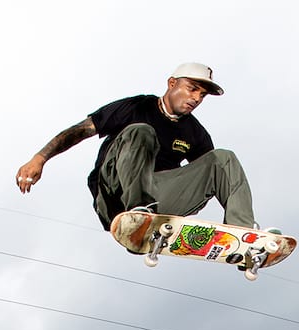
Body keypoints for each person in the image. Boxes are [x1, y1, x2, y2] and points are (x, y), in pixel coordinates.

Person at [15, 62, 260, 232]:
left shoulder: (194, 132)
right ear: (172, 83)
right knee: (141, 132)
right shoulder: (135, 107)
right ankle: (138, 212)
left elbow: (213, 175)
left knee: (223, 159)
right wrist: (40, 158)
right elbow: (80, 131)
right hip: (114, 194)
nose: (196, 98)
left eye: (202, 95)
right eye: (192, 89)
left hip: (158, 195)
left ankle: (244, 235)